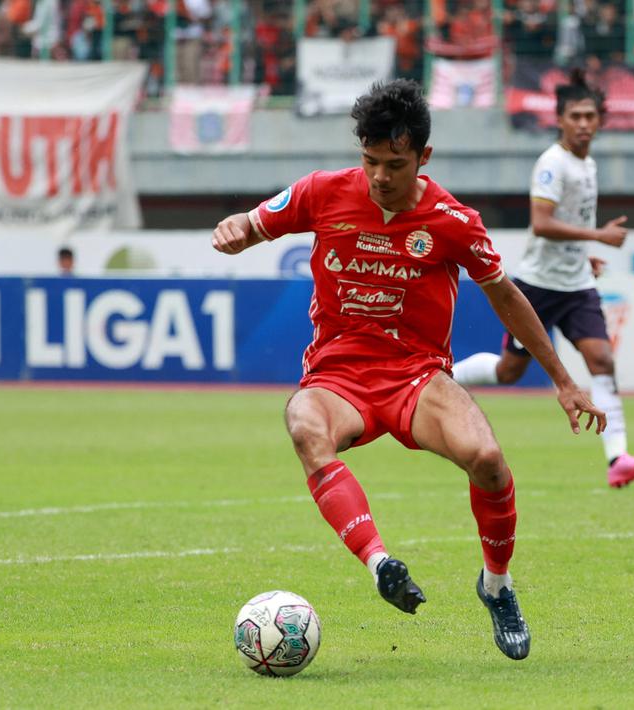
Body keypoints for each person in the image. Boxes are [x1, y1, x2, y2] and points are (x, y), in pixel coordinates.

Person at [210, 79, 605, 662]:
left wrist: (564, 381)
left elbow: (507, 297)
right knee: (304, 425)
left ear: (423, 156)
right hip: (339, 374)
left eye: (394, 164)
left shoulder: (452, 220)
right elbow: (254, 221)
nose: (379, 176)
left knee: (489, 461)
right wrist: (237, 230)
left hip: (416, 377)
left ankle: (497, 585)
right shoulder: (322, 192)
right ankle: (380, 565)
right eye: (369, 161)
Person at [453, 70, 634, 489]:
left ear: (599, 119)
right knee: (510, 371)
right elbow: (542, 223)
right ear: (560, 120)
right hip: (537, 286)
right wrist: (598, 236)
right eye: (575, 116)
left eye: (590, 115)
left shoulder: (587, 164)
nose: (584, 123)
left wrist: (584, 256)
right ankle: (444, 379)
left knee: (601, 359)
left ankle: (617, 457)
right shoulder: (552, 163)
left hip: (576, 285)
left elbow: (567, 223)